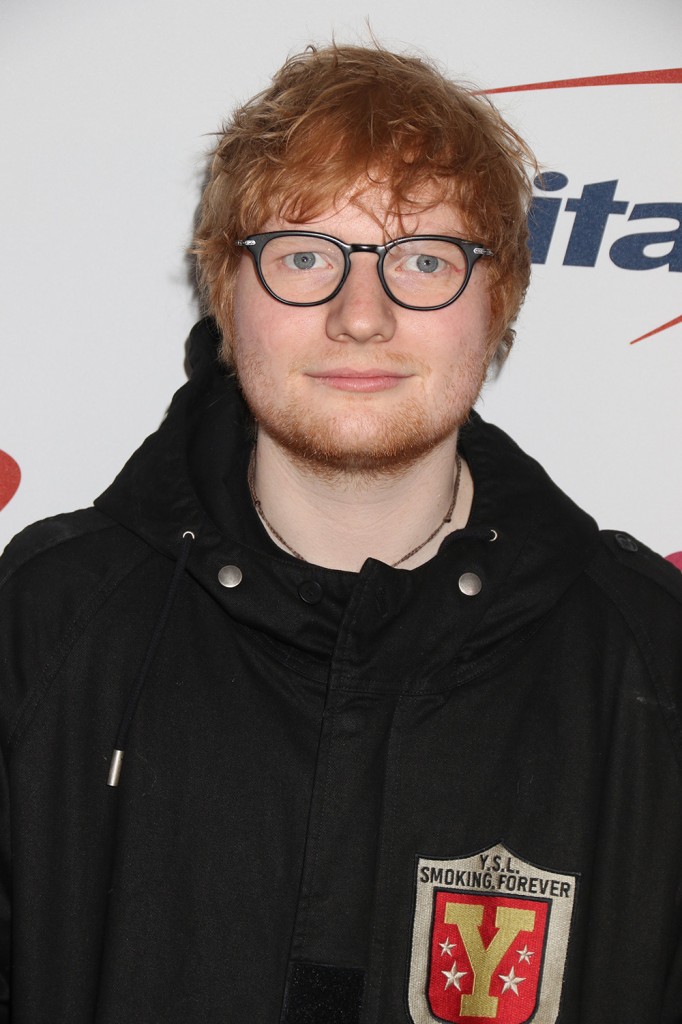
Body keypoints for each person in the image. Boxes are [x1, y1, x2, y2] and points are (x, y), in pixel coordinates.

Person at [1, 43, 681, 1024]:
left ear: (499, 303)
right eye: (306, 255)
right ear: (225, 295)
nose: (361, 315)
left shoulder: (650, 663)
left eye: (421, 259)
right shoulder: (43, 625)